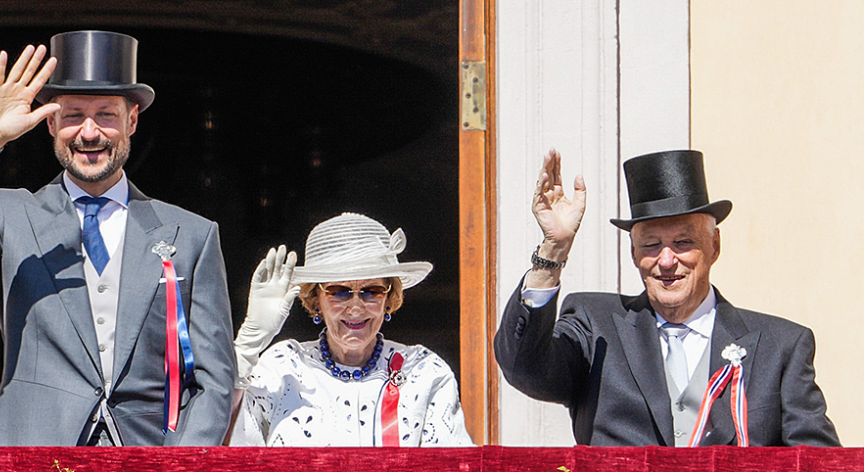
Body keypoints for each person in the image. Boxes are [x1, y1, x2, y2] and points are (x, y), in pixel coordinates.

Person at [0, 30, 235, 446]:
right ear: (50, 122)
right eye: (72, 116)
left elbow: (215, 379)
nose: (89, 133)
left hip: (150, 454)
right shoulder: (10, 214)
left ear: (132, 120)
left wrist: (183, 461)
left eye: (106, 114)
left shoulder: (192, 235)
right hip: (35, 450)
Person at [495, 149, 839, 446]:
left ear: (714, 246)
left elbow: (818, 461)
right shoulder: (594, 325)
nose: (666, 260)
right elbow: (523, 369)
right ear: (633, 252)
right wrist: (552, 252)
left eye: (684, 242)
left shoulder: (781, 346)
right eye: (651, 244)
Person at [228, 213, 473, 446]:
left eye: (372, 291)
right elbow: (222, 443)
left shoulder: (424, 371)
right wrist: (250, 342)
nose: (355, 308)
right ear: (316, 299)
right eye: (338, 291)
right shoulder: (282, 367)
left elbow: (456, 464)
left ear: (389, 298)